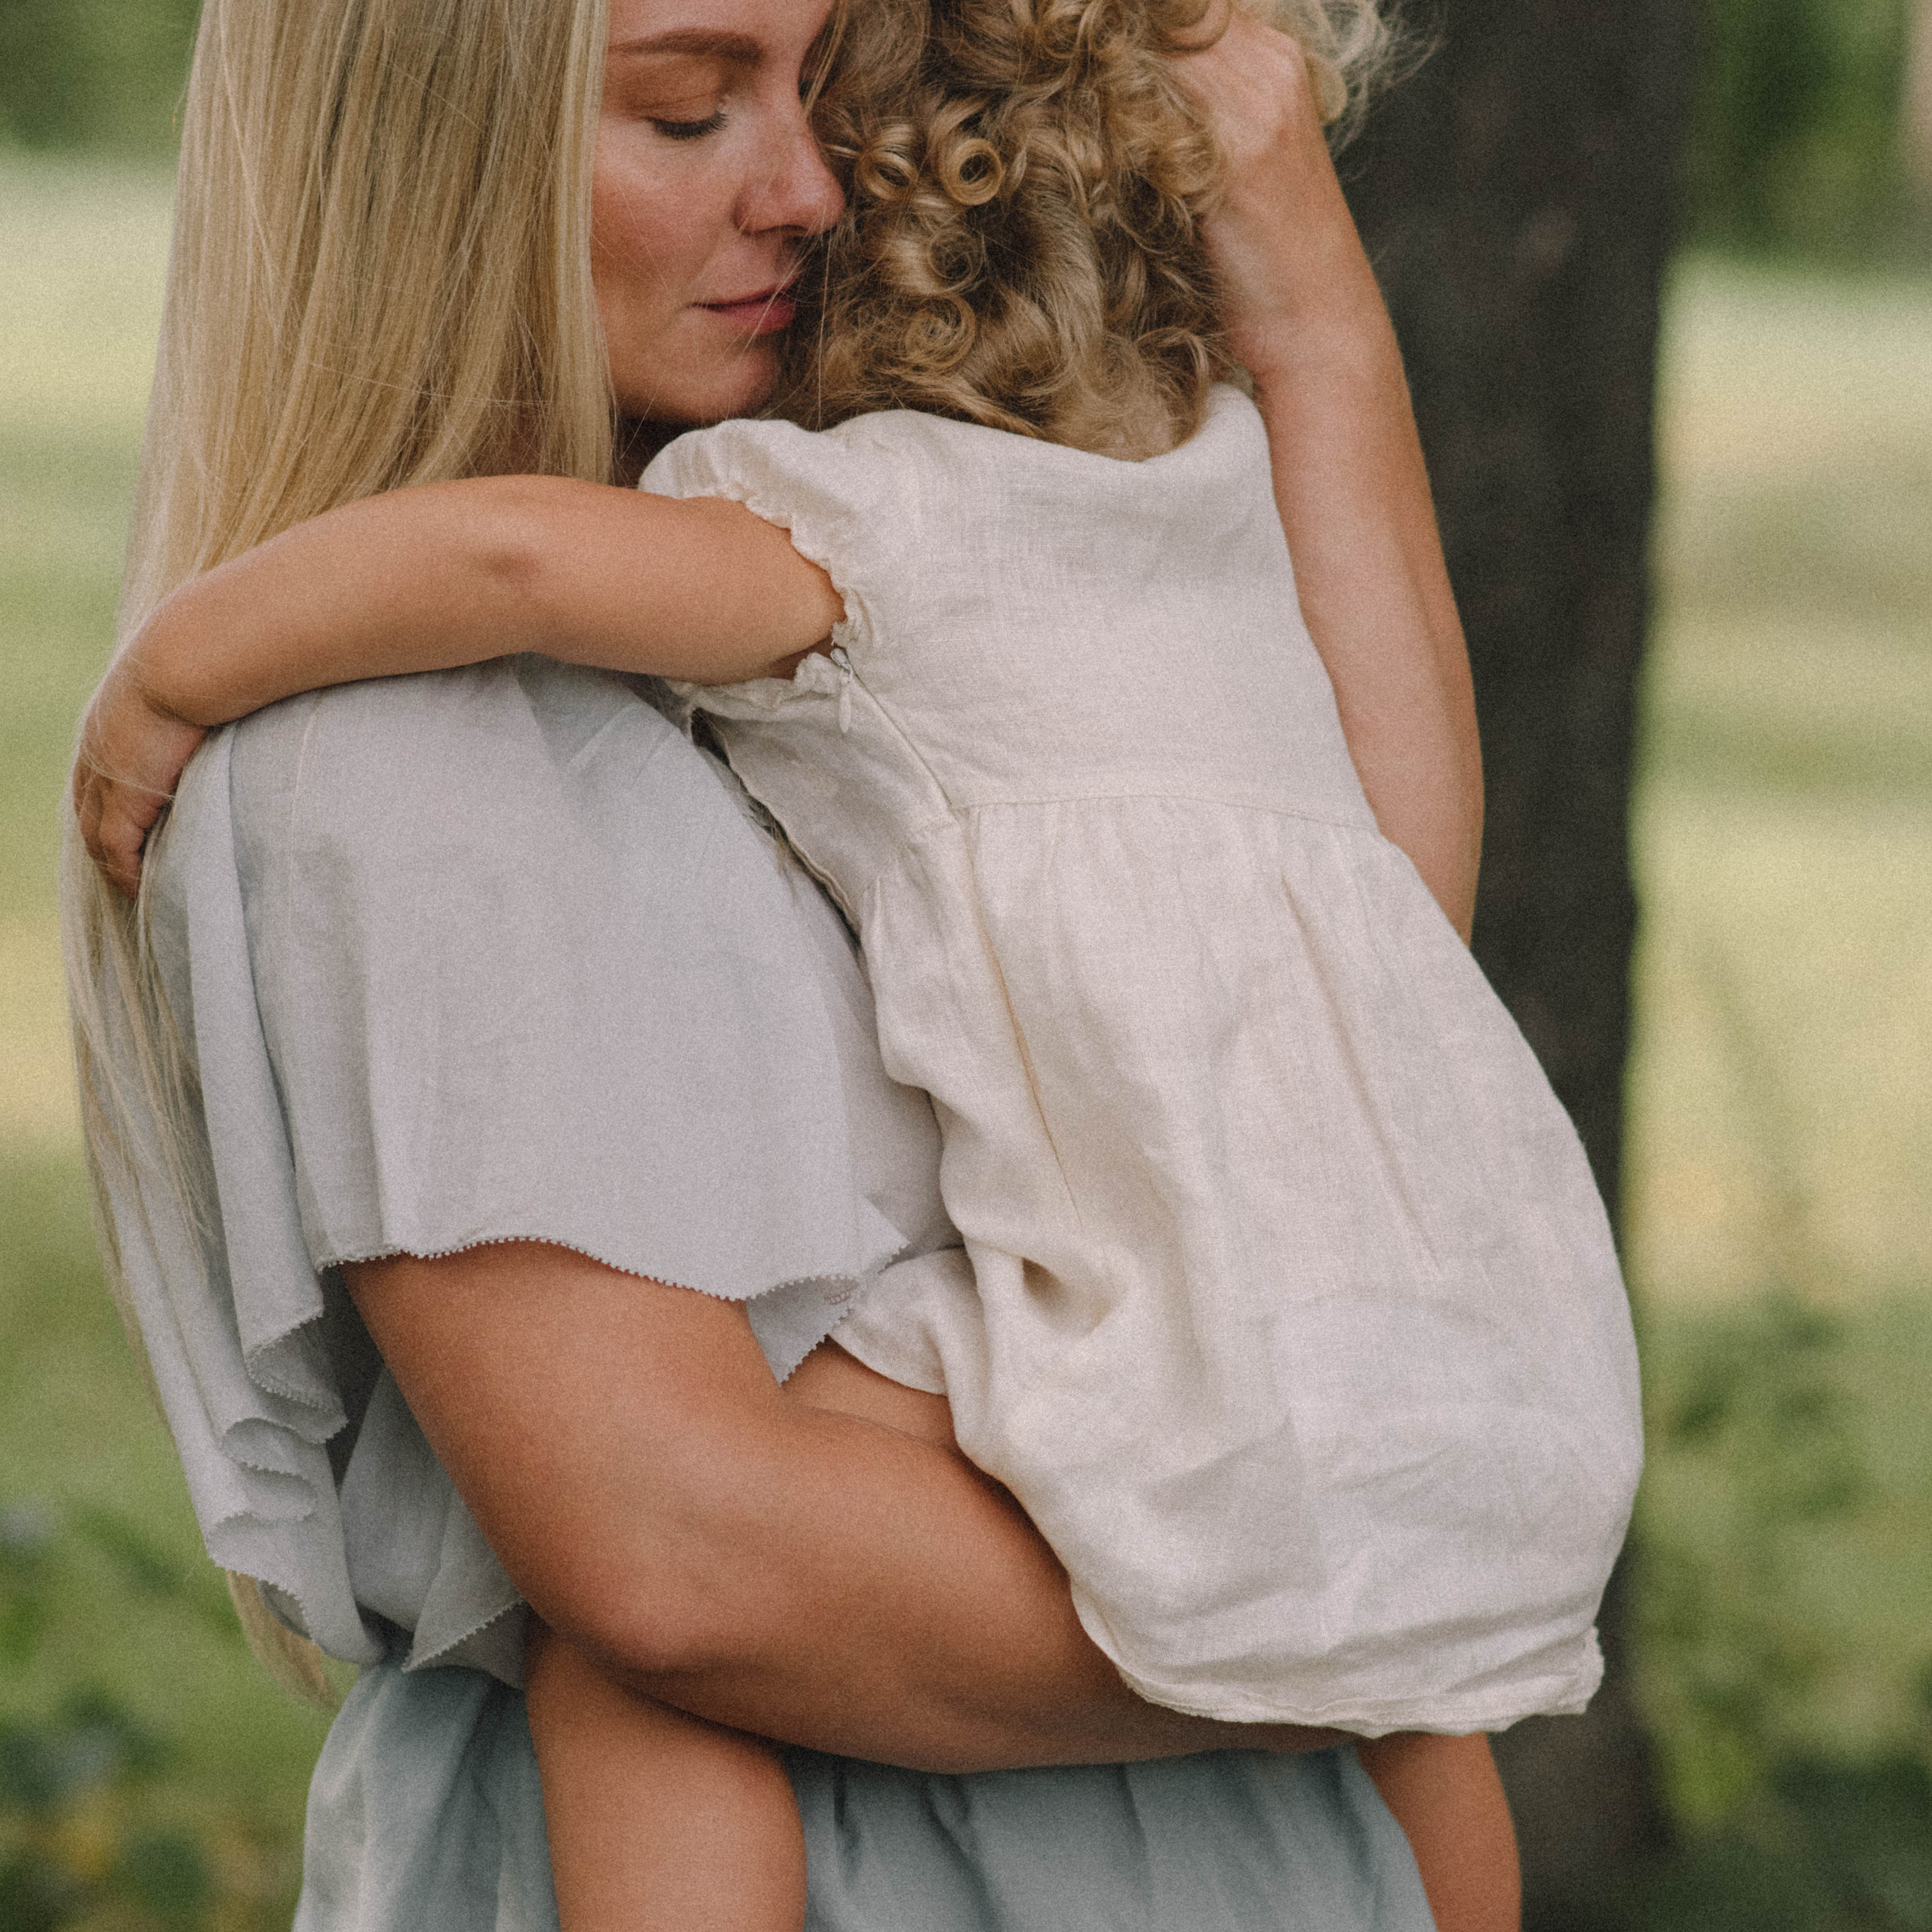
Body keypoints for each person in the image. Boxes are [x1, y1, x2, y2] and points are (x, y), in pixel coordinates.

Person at [64, 0, 1562, 1927]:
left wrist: (1309, 286)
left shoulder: (933, 596)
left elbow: (1384, 896)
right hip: (987, 1838)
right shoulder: (408, 748)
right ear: (437, 165)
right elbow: (684, 1561)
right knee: (629, 1678)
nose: (809, 188)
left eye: (831, 92)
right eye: (689, 113)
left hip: (1205, 1822)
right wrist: (1363, 1596)